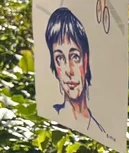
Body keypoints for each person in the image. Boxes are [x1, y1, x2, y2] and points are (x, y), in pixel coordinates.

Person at [44, 8, 109, 141]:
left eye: (75, 56)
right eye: (60, 58)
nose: (69, 70)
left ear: (86, 60)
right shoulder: (47, 122)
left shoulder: (101, 133)